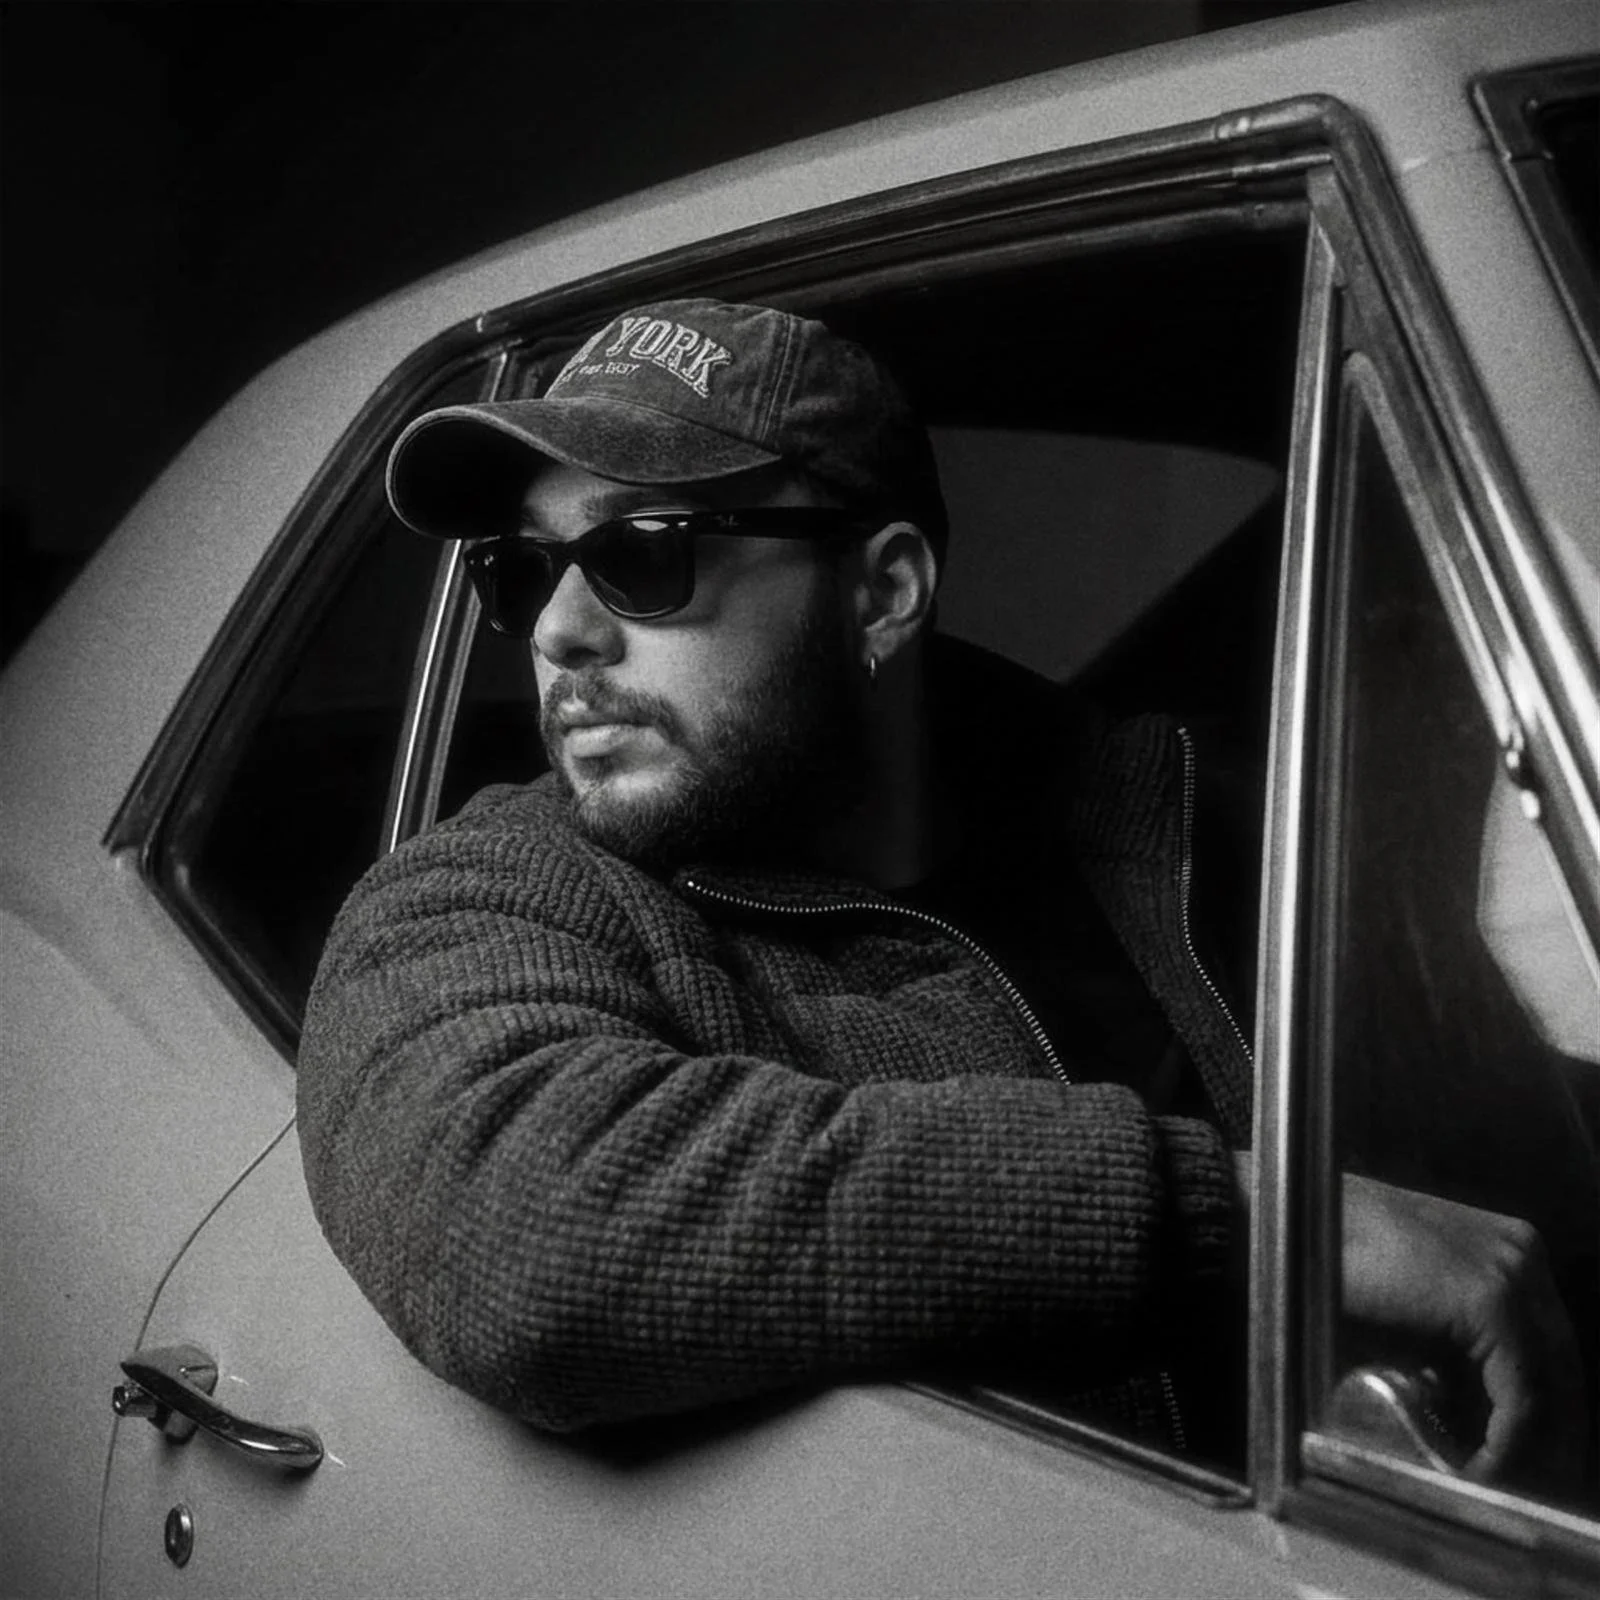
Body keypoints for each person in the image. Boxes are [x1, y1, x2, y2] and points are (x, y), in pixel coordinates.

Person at [298, 297, 1581, 1485]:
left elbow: (1519, 1185)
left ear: (885, 592)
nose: (557, 632)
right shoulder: (477, 900)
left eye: (643, 552)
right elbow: (529, 1236)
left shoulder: (1200, 822)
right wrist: (1272, 1222)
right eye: (522, 571)